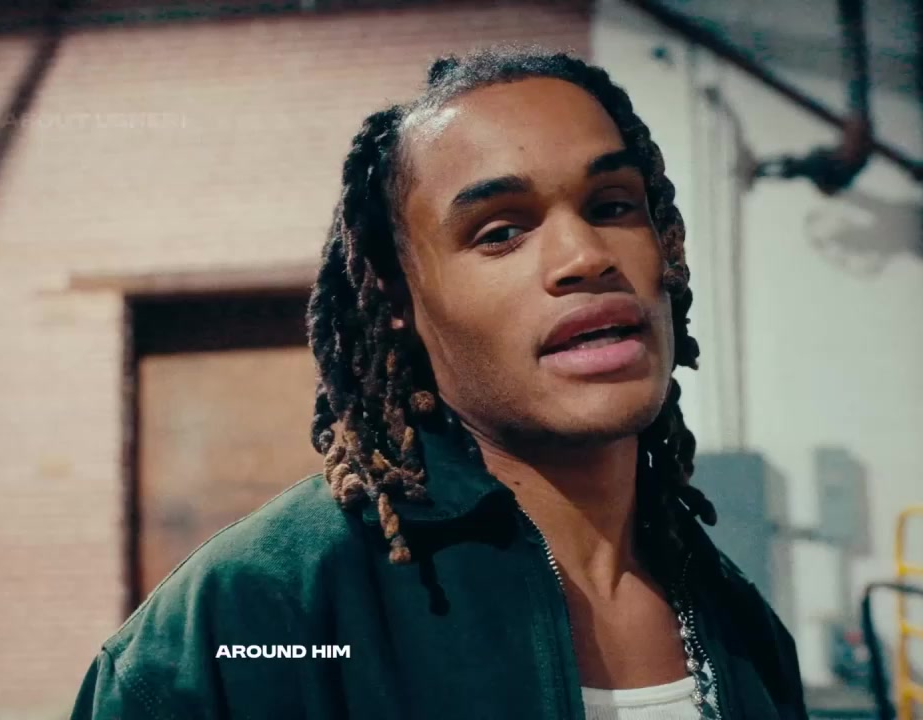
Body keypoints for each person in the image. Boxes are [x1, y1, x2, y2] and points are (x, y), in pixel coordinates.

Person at [69, 46, 806, 720]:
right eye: (500, 232)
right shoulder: (249, 619)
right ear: (398, 297)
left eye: (612, 207)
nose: (585, 256)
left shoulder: (739, 624)